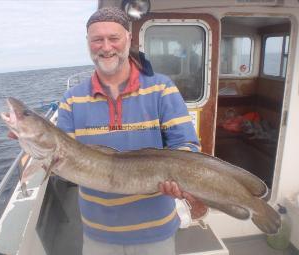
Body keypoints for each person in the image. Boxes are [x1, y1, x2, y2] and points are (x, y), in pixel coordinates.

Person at [57, 7, 207, 255]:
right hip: (98, 234)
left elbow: (186, 146)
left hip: (156, 232)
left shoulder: (161, 88)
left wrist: (177, 179)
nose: (106, 47)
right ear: (88, 43)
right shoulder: (71, 100)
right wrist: (36, 152)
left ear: (129, 39)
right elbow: (64, 169)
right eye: (97, 39)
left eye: (113, 38)